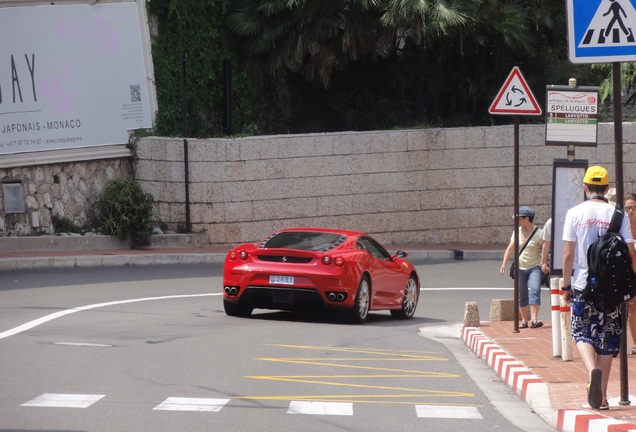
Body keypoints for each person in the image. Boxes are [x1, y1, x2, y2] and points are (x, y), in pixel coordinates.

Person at [562, 166, 636, 410]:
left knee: (581, 332)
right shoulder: (618, 215)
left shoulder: (574, 213)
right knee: (607, 339)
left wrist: (566, 285)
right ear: (607, 188)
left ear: (585, 187)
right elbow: (631, 254)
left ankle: (590, 370)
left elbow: (568, 254)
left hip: (584, 283)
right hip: (611, 288)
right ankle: (602, 398)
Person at [500, 206, 544, 328]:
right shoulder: (516, 232)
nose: (518, 221)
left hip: (534, 267)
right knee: (522, 294)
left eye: (519, 218)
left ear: (527, 218)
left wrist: (544, 262)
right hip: (520, 268)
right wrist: (504, 264)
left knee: (535, 290)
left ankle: (534, 319)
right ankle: (524, 320)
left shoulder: (539, 233)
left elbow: (545, 249)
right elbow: (510, 249)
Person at [624, 193, 636, 355]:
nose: (630, 211)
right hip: (629, 273)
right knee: (633, 307)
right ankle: (635, 342)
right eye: (627, 208)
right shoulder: (623, 229)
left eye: (633, 207)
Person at [540, 218, 552, 284]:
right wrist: (544, 262)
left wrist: (543, 263)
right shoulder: (551, 222)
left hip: (556, 264)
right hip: (556, 264)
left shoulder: (551, 221)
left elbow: (546, 243)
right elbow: (546, 243)